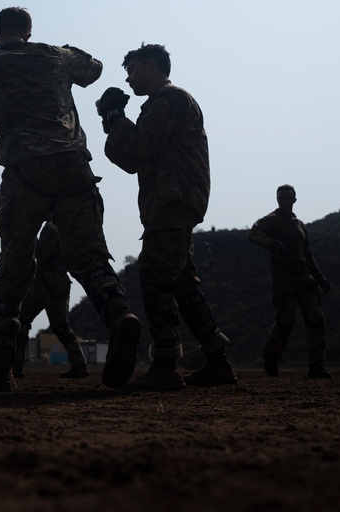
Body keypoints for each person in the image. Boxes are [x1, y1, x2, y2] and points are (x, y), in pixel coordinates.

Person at [0, 7, 141, 392]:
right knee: (89, 254)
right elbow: (96, 70)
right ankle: (120, 314)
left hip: (25, 171)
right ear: (29, 32)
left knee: (15, 264)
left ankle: (2, 370)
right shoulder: (56, 54)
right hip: (74, 166)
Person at [99, 43, 237, 390]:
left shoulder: (169, 100)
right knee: (181, 282)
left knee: (154, 272)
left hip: (173, 199)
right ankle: (218, 360)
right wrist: (113, 121)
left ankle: (165, 363)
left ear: (150, 65)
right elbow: (132, 160)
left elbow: (140, 147)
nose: (128, 79)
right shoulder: (158, 105)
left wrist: (117, 119)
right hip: (169, 201)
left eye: (131, 70)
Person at [248, 185, 332, 379]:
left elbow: (307, 253)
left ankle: (316, 365)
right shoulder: (270, 221)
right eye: (281, 197)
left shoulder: (299, 225)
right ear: (277, 199)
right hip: (283, 277)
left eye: (288, 198)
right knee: (286, 320)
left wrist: (319, 277)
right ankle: (271, 354)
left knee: (316, 318)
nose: (284, 201)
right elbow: (253, 234)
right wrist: (272, 243)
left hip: (304, 276)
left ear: (295, 200)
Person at [14, 221, 89, 380]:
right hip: (61, 280)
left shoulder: (51, 227)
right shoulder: (68, 228)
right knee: (61, 326)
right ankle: (79, 363)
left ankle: (17, 365)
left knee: (22, 320)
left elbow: (41, 253)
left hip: (45, 280)